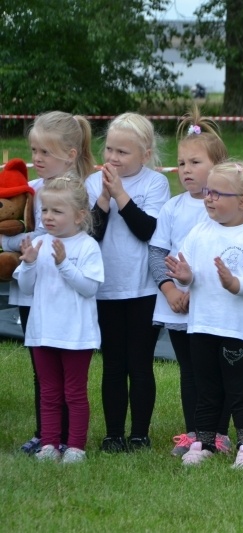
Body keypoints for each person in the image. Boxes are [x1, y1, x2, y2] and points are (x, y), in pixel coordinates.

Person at [167, 161, 243, 470]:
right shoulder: (200, 231)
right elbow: (184, 274)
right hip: (201, 326)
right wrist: (183, 277)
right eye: (207, 191)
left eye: (218, 192)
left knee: (239, 392)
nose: (209, 198)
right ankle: (204, 442)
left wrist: (235, 283)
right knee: (207, 389)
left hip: (239, 332)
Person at [5, 111, 94, 456]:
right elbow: (9, 232)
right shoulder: (29, 191)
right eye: (34, 151)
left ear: (70, 155)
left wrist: (30, 239)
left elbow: (76, 238)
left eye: (45, 152)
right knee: (41, 372)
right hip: (32, 293)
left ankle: (72, 438)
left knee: (69, 375)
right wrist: (20, 242)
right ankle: (46, 435)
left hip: (67, 298)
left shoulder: (81, 190)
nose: (37, 159)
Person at [148, 107, 233, 457]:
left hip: (214, 305)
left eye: (195, 162)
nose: (186, 170)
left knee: (218, 369)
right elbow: (157, 253)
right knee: (191, 371)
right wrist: (169, 290)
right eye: (182, 163)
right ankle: (194, 433)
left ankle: (220, 433)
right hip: (178, 306)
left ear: (218, 166)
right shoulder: (172, 208)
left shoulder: (228, 208)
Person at [85, 113, 171, 452]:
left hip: (143, 289)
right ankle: (113, 433)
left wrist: (120, 194)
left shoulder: (155, 184)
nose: (112, 158)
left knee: (139, 363)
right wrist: (103, 199)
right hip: (107, 289)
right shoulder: (94, 184)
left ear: (145, 155)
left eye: (123, 152)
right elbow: (92, 235)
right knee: (113, 364)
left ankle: (139, 434)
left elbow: (148, 231)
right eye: (109, 149)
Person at [14, 175, 103, 463]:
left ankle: (75, 446)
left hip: (76, 335)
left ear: (79, 216)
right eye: (45, 210)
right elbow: (27, 287)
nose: (48, 217)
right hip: (42, 332)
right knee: (49, 392)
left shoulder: (87, 246)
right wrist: (28, 264)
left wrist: (64, 264)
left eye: (56, 211)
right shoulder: (39, 243)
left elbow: (89, 287)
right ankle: (49, 444)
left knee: (74, 393)